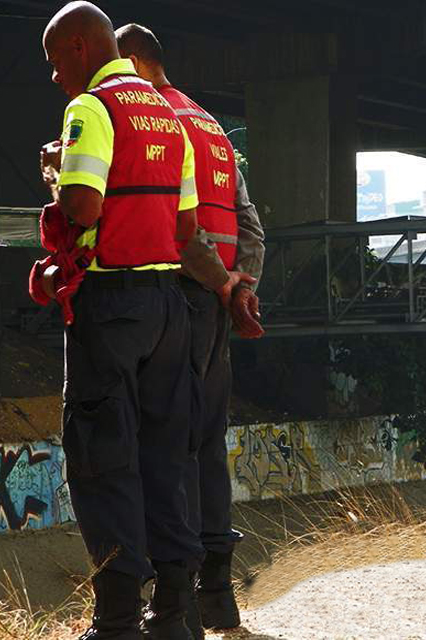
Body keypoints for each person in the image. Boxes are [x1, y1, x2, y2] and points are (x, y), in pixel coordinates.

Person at [39, 3, 237, 638]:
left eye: (53, 62)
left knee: (103, 461)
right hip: (168, 308)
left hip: (110, 305)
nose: (53, 78)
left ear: (77, 48)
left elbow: (85, 208)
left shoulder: (90, 110)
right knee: (164, 460)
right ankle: (175, 617)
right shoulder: (167, 115)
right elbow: (186, 229)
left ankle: (118, 620)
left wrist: (57, 179)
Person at [115, 23, 266, 634]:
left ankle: (171, 605)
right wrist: (241, 287)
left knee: (165, 451)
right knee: (206, 449)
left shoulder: (155, 123)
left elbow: (175, 226)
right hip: (218, 315)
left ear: (132, 60)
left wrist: (214, 281)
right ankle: (218, 596)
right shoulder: (212, 128)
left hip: (177, 299)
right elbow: (250, 225)